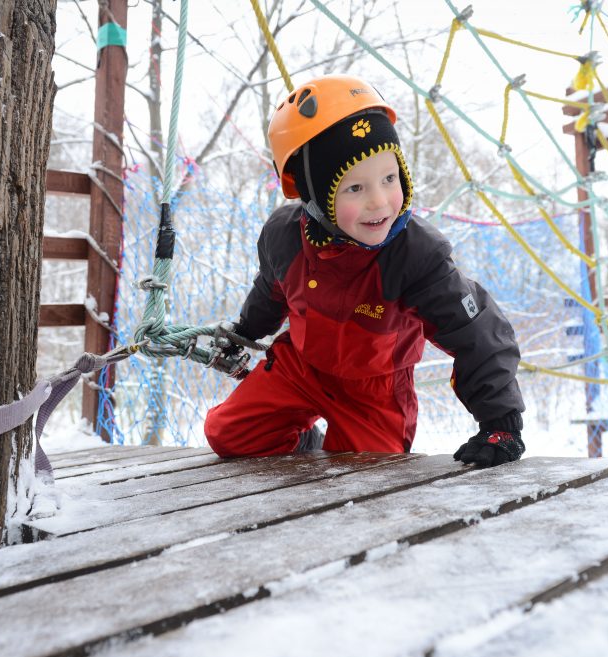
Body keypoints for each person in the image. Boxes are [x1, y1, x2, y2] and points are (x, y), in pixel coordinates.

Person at [204, 74, 525, 468]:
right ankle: (302, 435)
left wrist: (501, 421)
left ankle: (335, 444)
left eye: (389, 179)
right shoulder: (284, 238)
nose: (379, 202)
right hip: (300, 367)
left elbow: (475, 328)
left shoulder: (413, 254)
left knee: (367, 469)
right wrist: (245, 331)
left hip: (375, 388)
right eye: (354, 188)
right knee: (227, 434)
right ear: (316, 197)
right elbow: (270, 292)